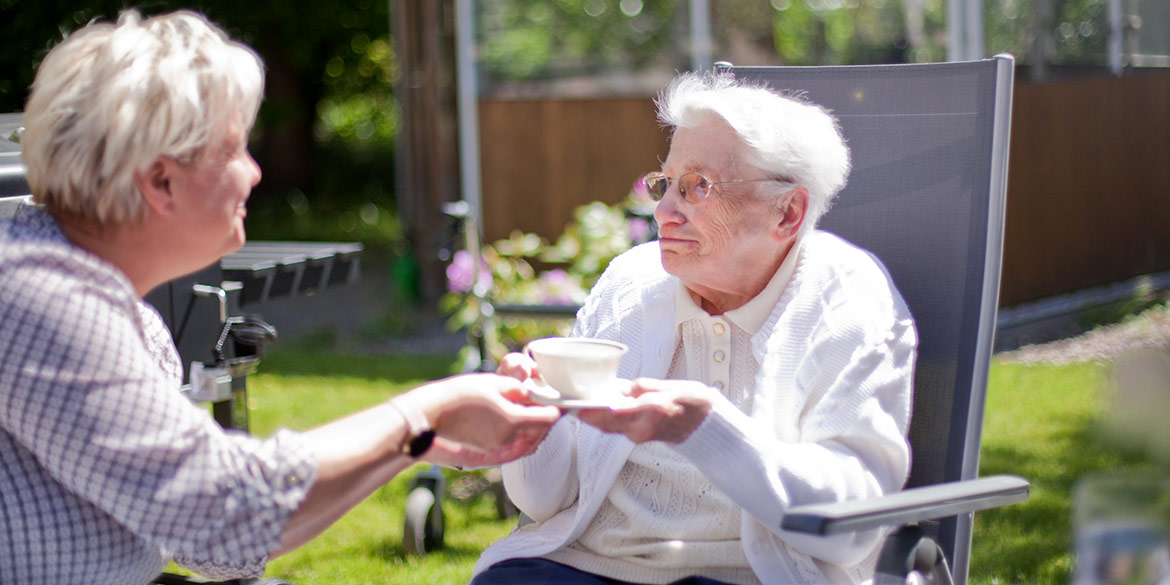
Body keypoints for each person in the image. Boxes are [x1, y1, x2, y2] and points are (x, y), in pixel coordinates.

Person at [0, 10, 561, 585]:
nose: (255, 173)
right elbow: (223, 513)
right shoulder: (42, 300)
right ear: (160, 181)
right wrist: (424, 411)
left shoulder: (117, 311)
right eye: (235, 149)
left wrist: (415, 440)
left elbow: (221, 545)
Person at [471, 73, 918, 585]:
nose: (662, 212)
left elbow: (850, 529)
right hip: (591, 565)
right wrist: (531, 430)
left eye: (697, 187)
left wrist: (705, 427)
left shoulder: (845, 299)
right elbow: (550, 501)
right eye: (665, 184)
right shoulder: (632, 283)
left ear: (787, 213)